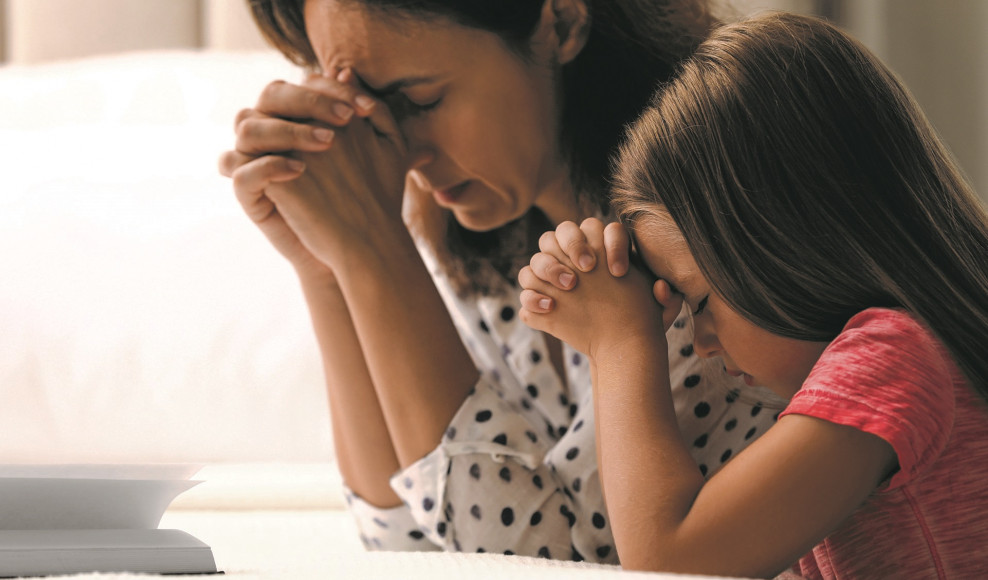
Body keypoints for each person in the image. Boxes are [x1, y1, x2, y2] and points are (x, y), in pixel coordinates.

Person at [217, 0, 785, 560]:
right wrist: (327, 270)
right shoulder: (502, 246)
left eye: (419, 100)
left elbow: (544, 564)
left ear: (560, 22)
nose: (404, 153)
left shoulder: (697, 245)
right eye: (371, 118)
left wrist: (373, 251)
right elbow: (405, 541)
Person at [518, 11, 988, 578]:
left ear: (788, 241)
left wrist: (619, 343)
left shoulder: (896, 356)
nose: (701, 342)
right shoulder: (901, 367)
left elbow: (672, 562)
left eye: (699, 302)